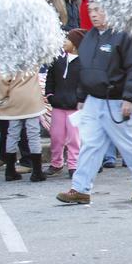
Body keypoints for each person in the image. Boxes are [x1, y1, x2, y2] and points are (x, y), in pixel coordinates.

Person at [55, 3, 132, 205]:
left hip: (116, 99)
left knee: (127, 143)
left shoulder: (124, 35)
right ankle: (80, 188)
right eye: (91, 10)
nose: (93, 14)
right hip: (93, 99)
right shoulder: (90, 36)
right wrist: (82, 97)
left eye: (98, 9)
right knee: (90, 144)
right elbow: (84, 68)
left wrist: (129, 98)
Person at [44, 29, 85, 178]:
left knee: (74, 137)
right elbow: (50, 78)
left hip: (75, 108)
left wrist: (81, 100)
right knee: (56, 136)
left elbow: (86, 84)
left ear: (75, 44)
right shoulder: (57, 59)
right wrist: (50, 95)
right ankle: (56, 163)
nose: (63, 42)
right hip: (58, 105)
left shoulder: (84, 63)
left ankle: (74, 165)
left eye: (67, 40)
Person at [0, 71, 47, 182]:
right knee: (34, 135)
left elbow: (4, 81)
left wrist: (0, 98)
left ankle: (9, 170)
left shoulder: (10, 61)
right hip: (33, 99)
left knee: (12, 134)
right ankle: (37, 172)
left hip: (15, 98)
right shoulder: (33, 58)